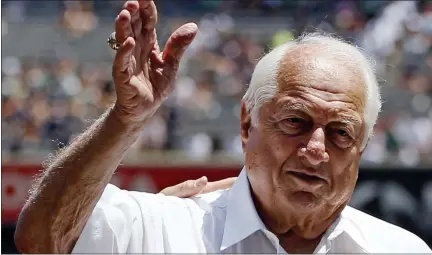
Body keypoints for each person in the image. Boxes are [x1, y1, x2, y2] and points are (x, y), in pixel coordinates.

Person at [14, 1, 431, 253]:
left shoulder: (400, 250)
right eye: (295, 122)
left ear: (362, 146)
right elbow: (40, 239)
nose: (316, 148)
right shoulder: (162, 227)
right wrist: (126, 119)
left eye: (341, 132)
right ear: (247, 123)